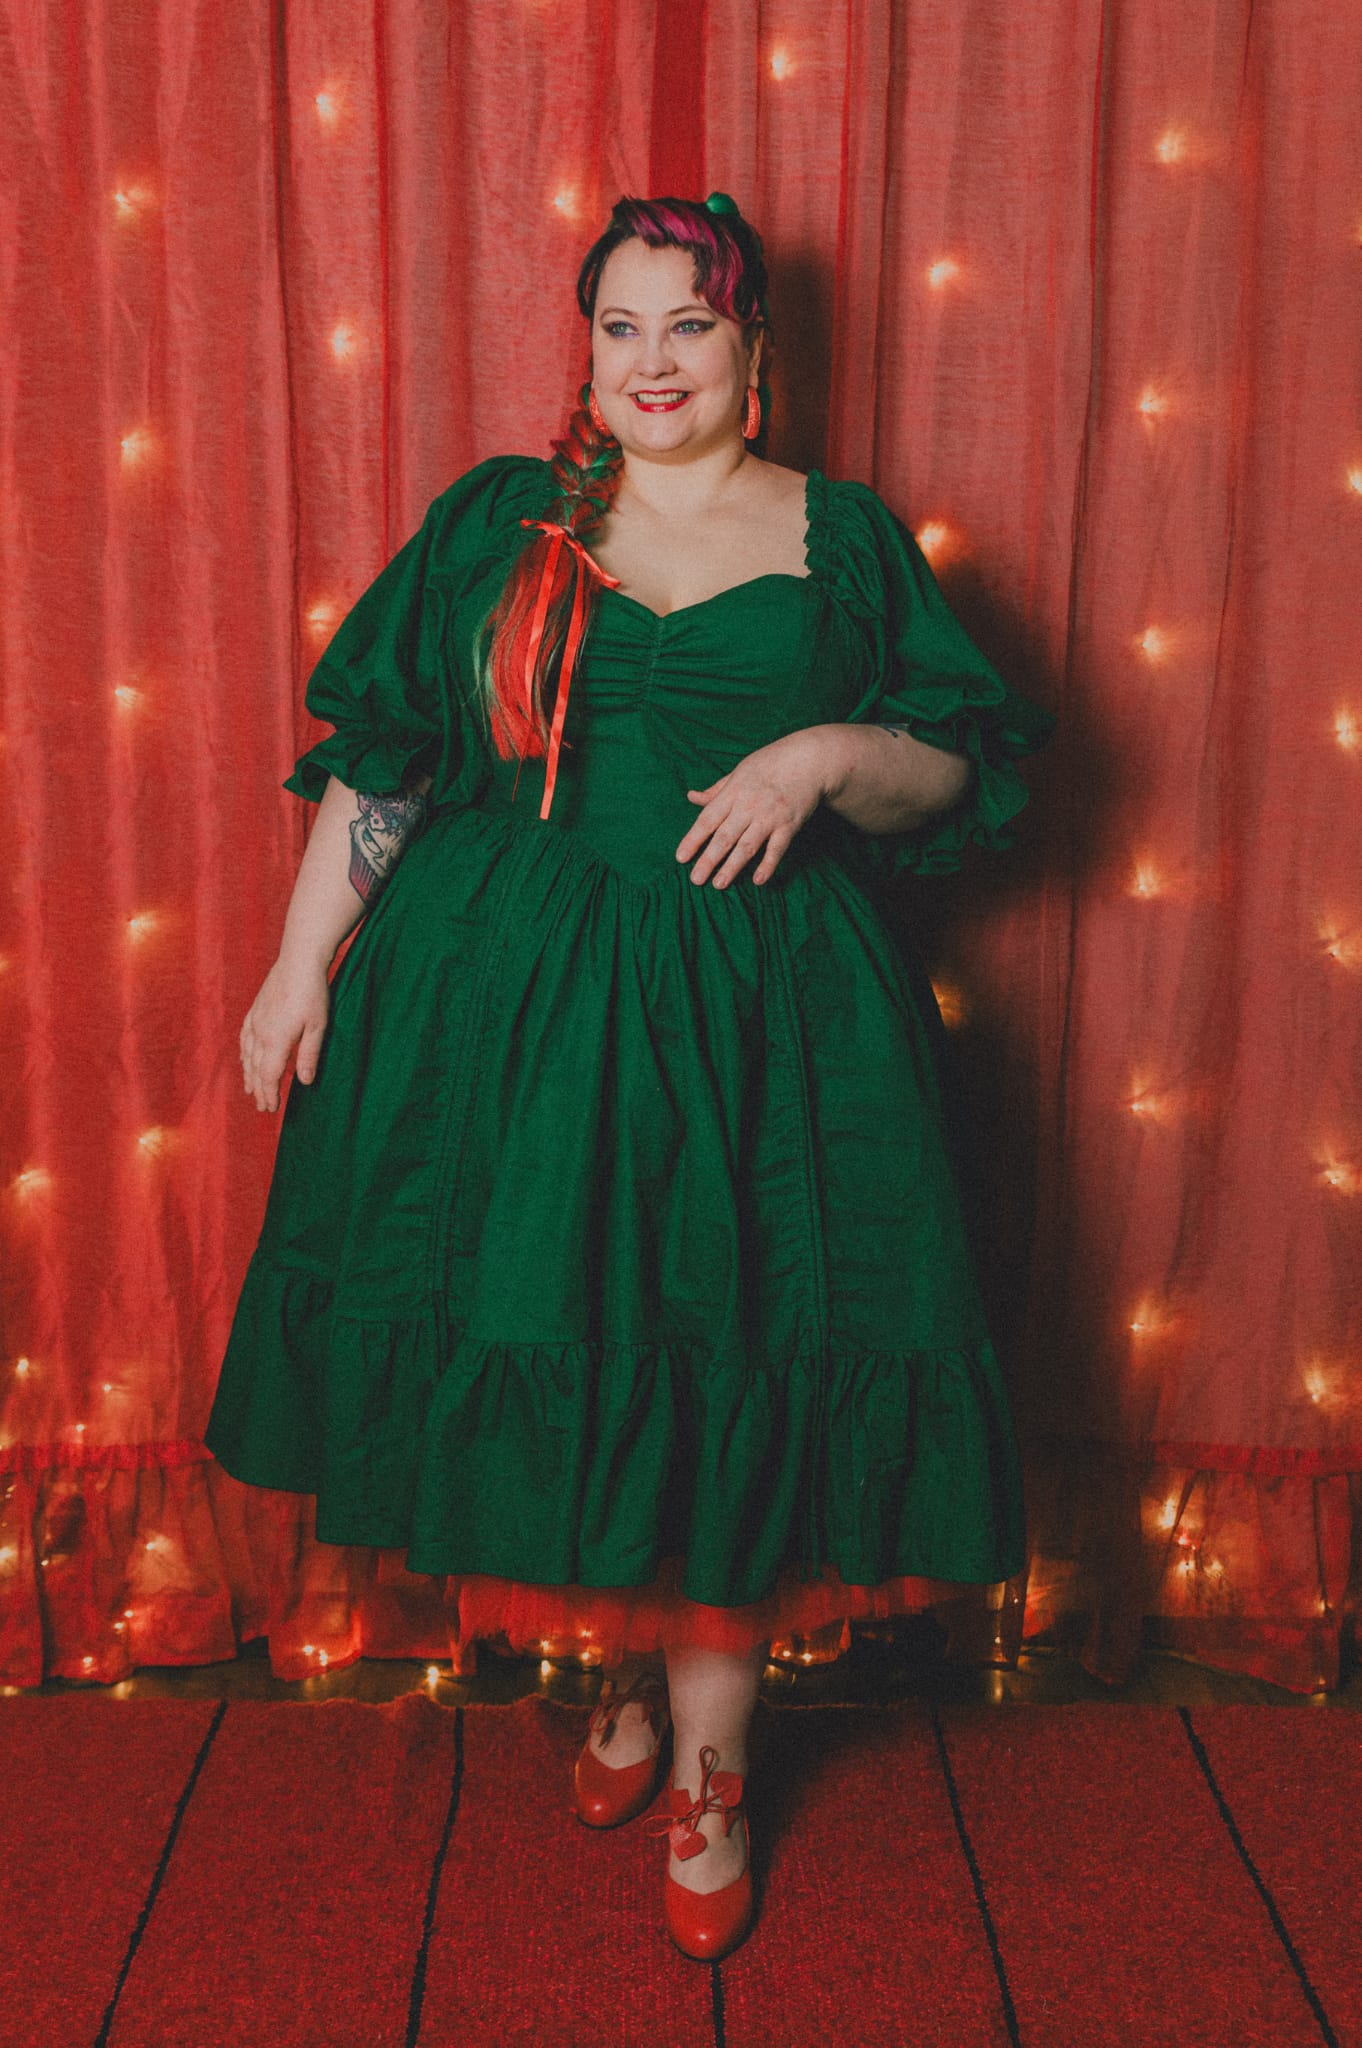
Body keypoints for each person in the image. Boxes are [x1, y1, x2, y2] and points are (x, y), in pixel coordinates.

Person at [205, 191, 1058, 1962]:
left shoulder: (840, 537)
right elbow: (391, 760)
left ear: (753, 348)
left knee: (721, 1340)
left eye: (689, 325)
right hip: (509, 999)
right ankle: (618, 1669)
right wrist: (301, 965)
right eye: (619, 326)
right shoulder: (502, 520)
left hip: (760, 1014)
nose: (651, 362)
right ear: (586, 347)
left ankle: (714, 1772)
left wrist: (823, 754)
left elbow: (953, 775)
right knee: (571, 1327)